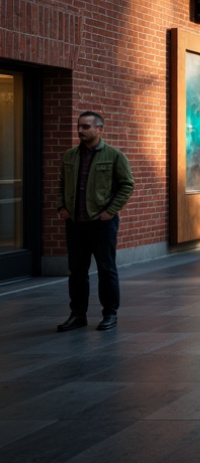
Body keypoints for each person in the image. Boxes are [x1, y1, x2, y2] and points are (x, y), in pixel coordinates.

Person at [56, 111, 135, 332]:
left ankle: (110, 313)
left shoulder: (114, 155)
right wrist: (61, 207)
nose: (80, 130)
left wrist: (111, 210)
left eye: (86, 127)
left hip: (102, 223)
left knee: (106, 268)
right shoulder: (70, 156)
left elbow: (127, 184)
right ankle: (78, 314)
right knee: (77, 271)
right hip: (75, 222)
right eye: (79, 126)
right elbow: (61, 183)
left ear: (100, 129)